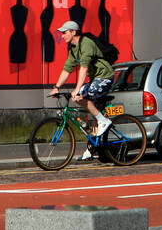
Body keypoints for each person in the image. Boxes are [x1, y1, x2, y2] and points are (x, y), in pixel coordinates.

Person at [49, 21, 115, 160]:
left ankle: (104, 121)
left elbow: (83, 69)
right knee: (81, 102)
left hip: (104, 76)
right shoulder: (73, 49)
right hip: (94, 78)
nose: (62, 36)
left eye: (64, 32)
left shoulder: (86, 44)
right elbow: (67, 69)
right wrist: (56, 87)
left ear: (73, 32)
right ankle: (93, 147)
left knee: (82, 96)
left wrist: (78, 89)